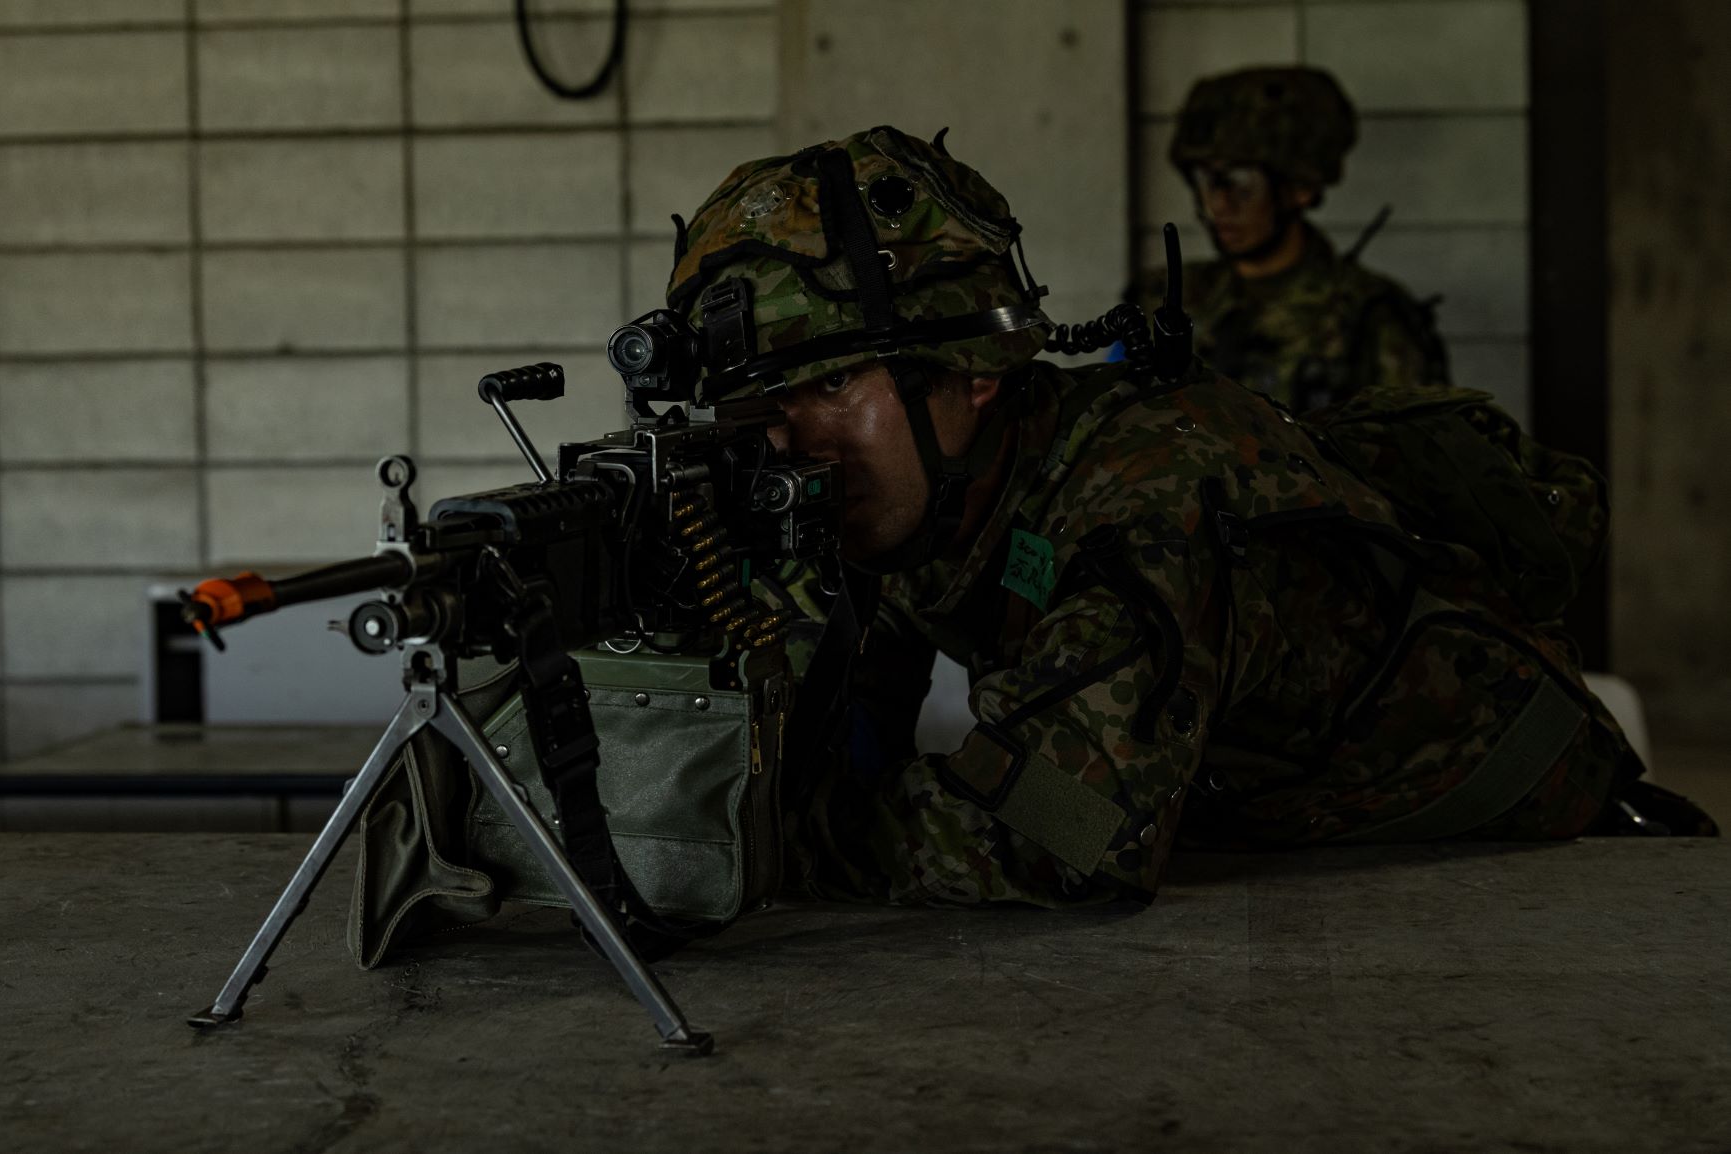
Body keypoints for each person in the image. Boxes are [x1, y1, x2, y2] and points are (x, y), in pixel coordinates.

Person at [666, 125, 1710, 907]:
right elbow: (832, 721)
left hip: (1499, 823)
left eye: (832, 385)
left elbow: (1069, 834)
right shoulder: (920, 494)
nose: (788, 442)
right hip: (1263, 816)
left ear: (973, 372)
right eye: (760, 406)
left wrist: (750, 844)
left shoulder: (1142, 491)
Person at [1137, 67, 1449, 412]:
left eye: (1241, 183)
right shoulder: (1164, 301)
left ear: (1300, 189)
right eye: (1205, 180)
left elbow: (1418, 454)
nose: (1219, 204)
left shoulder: (1372, 319)